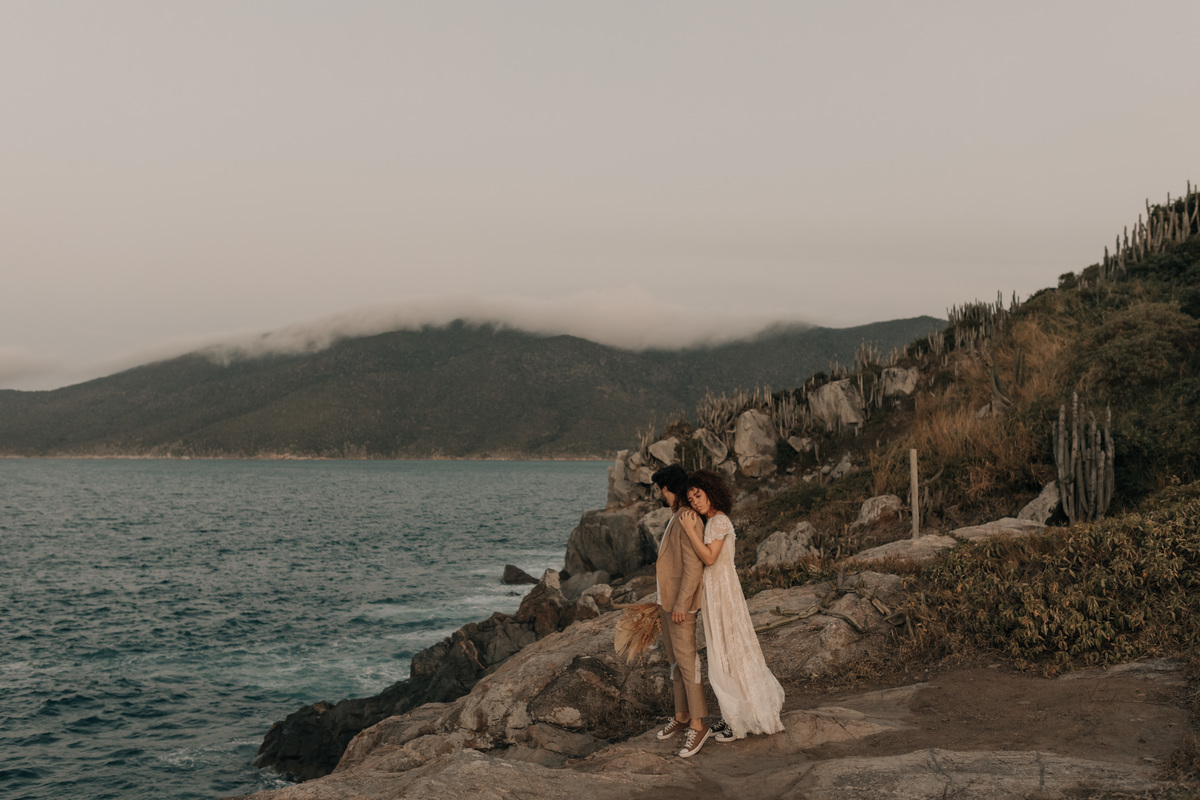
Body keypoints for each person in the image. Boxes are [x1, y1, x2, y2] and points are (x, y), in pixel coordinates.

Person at [681, 469, 785, 740]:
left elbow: (710, 558)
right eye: (691, 500)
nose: (695, 502)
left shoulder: (718, 522)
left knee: (731, 652)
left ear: (710, 492)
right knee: (724, 654)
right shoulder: (712, 522)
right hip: (716, 592)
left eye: (698, 495)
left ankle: (740, 719)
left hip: (724, 592)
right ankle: (732, 715)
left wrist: (690, 531)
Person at [650, 464, 713, 758]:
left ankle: (699, 725)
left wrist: (682, 605)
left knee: (689, 664)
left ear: (666, 489)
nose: (659, 496)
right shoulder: (677, 516)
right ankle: (683, 714)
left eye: (659, 491)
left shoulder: (687, 517)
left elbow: (693, 567)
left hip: (680, 607)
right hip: (668, 603)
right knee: (676, 664)